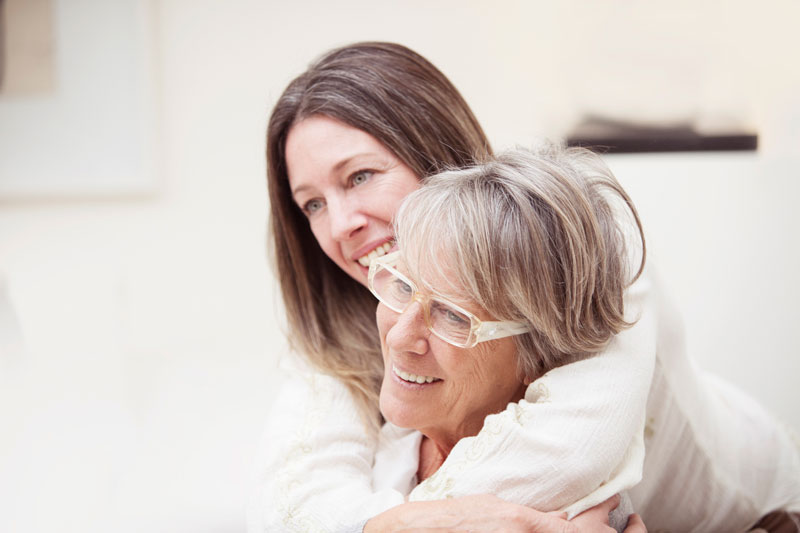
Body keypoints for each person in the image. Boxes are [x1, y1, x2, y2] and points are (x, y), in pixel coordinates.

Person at [248, 41, 800, 532]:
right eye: (312, 204)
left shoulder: (582, 231)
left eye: (360, 176)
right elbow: (292, 499)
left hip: (758, 509)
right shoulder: (348, 313)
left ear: (434, 153)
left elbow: (566, 455)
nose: (340, 224)